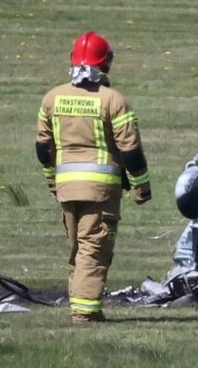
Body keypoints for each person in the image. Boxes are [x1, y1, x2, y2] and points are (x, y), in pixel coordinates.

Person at [35, 31, 151, 322]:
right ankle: (84, 315)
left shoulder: (52, 99)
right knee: (93, 249)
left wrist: (52, 181)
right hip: (100, 192)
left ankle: (80, 306)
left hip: (66, 189)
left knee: (77, 249)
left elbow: (43, 148)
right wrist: (140, 188)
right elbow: (131, 151)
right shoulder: (113, 101)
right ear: (106, 64)